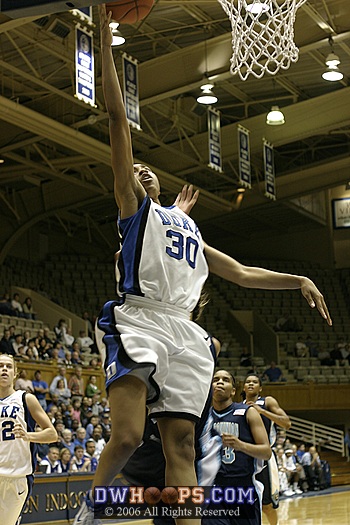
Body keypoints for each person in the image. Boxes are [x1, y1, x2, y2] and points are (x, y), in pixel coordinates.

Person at [73, 7, 332, 525]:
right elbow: (118, 119)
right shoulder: (132, 209)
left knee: (184, 447)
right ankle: (90, 511)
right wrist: (103, 35)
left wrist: (298, 279)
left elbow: (241, 273)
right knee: (124, 436)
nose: (141, 170)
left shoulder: (187, 227)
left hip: (186, 333)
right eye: (136, 169)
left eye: (149, 171)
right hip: (142, 318)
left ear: (165, 190)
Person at [202, 369, 271, 525]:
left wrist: (241, 446)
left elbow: (266, 452)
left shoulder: (248, 412)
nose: (219, 382)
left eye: (225, 380)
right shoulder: (202, 418)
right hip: (213, 488)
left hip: (242, 487)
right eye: (215, 379)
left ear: (233, 391)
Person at [0, 354, 57, 525]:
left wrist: (28, 436)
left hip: (16, 478)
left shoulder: (26, 399)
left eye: (8, 366)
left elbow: (52, 434)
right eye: (0, 365)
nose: (4, 369)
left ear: (15, 373)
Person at [242, 374, 291, 525]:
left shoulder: (267, 401)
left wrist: (262, 411)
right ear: (243, 387)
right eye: (248, 382)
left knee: (267, 505)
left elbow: (287, 423)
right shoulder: (239, 407)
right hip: (246, 457)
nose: (251, 384)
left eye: (255, 382)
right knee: (246, 502)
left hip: (265, 457)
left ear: (260, 387)